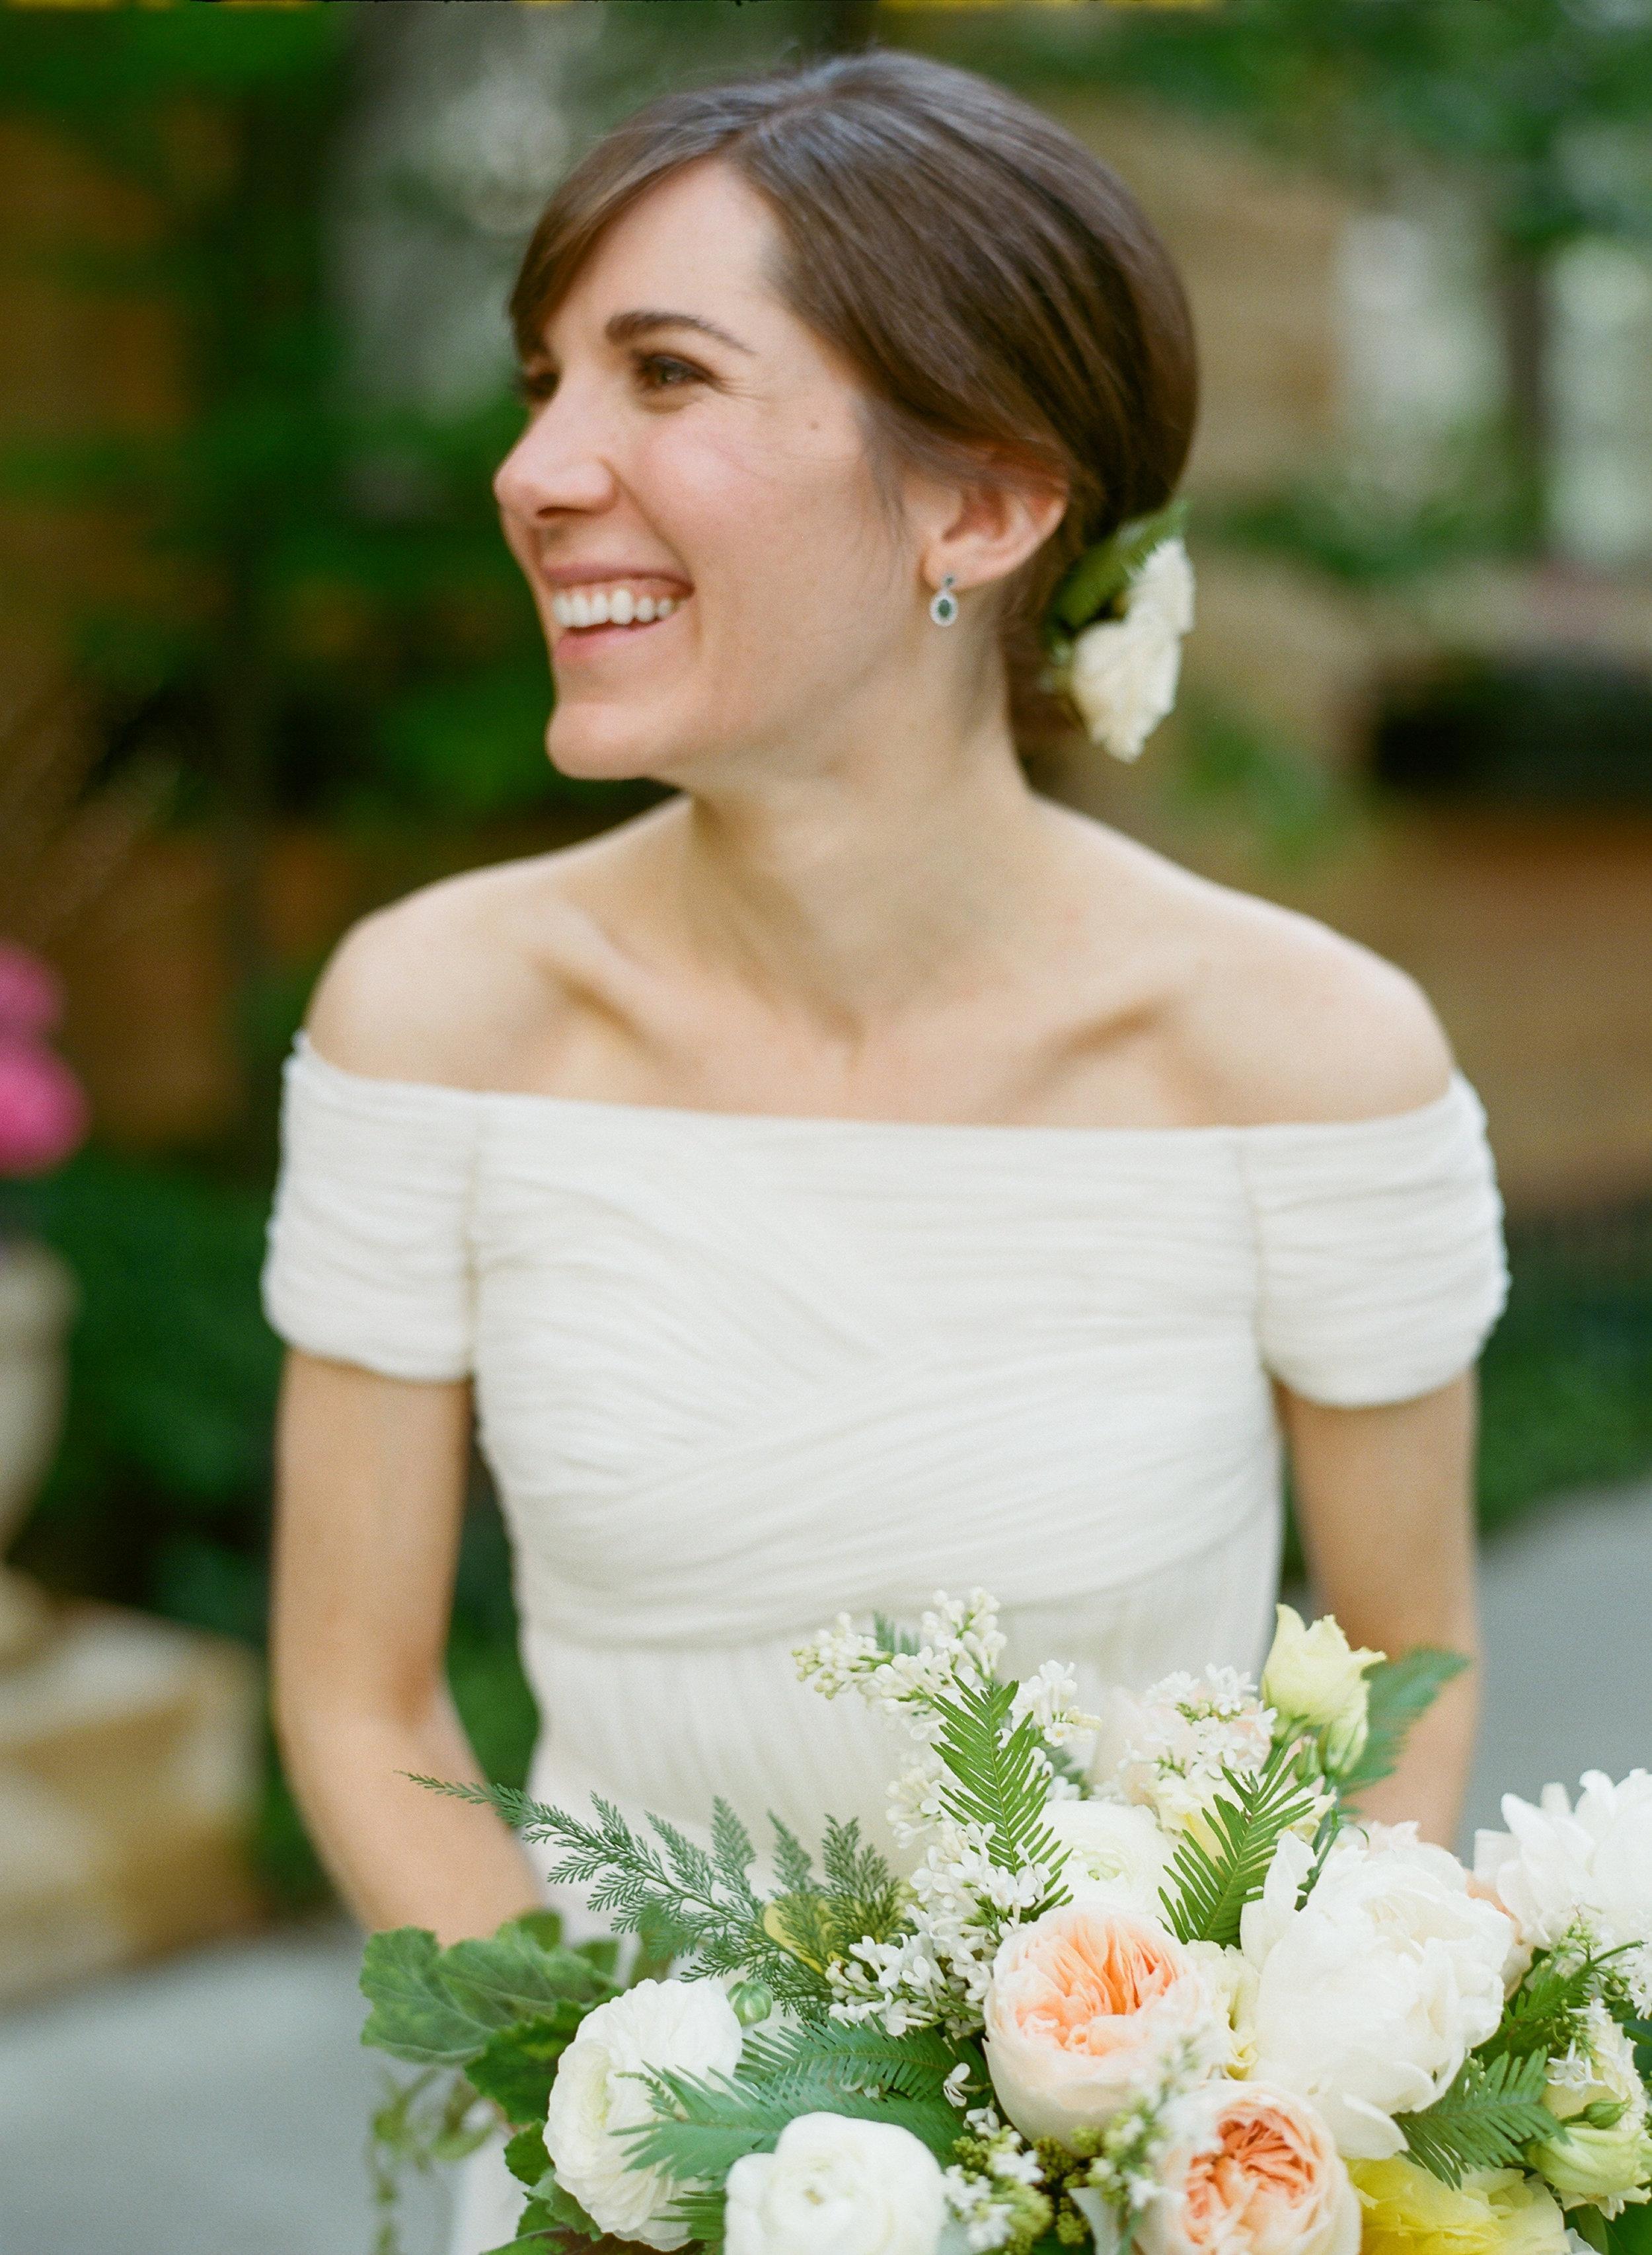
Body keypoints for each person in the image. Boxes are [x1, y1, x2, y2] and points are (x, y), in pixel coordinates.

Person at [260, 50, 1508, 2254]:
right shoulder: (431, 1021)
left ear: (982, 505)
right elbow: (356, 1696)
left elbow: (1410, 1665)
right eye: (545, 382)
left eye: (663, 374)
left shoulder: (1305, 1059)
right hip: (605, 2186)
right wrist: (633, 2144)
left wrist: (1192, 2116)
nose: (540, 469)